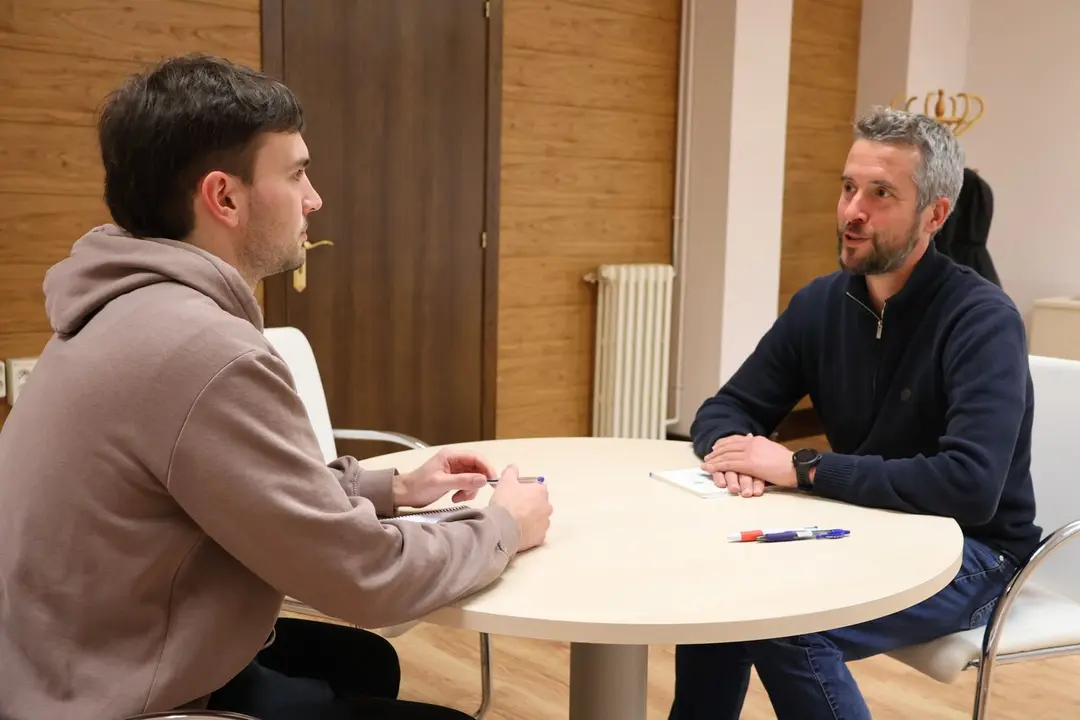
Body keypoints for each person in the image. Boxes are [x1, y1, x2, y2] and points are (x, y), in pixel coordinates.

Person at [0, 54, 552, 720]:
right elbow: (368, 580)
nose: (314, 199)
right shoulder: (202, 351)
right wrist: (502, 524)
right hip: (113, 696)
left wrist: (396, 489)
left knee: (364, 663)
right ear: (224, 197)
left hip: (57, 664)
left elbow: (231, 488)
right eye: (295, 174)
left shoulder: (117, 310)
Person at [668, 107, 1042, 720]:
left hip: (975, 554)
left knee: (790, 624)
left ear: (936, 214)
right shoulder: (821, 303)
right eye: (847, 188)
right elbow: (728, 407)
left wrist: (804, 469)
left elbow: (970, 488)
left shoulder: (981, 320)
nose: (852, 212)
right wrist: (734, 453)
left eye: (881, 193)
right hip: (868, 524)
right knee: (722, 596)